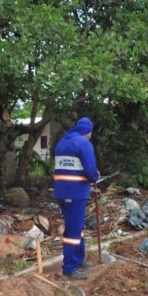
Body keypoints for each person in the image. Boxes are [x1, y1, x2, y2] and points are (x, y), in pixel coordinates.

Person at [53, 117, 100, 280]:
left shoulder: (62, 142)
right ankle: (70, 267)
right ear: (88, 131)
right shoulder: (83, 143)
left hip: (62, 191)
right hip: (76, 192)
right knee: (73, 230)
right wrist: (95, 177)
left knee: (76, 226)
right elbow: (90, 169)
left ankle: (78, 260)